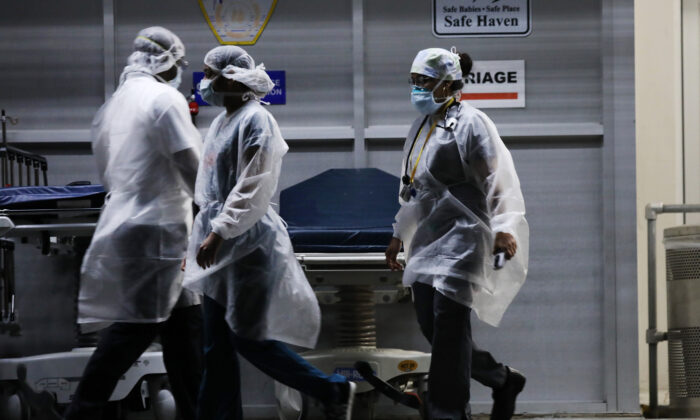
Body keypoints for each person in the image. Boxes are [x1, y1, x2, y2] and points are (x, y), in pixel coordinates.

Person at [182, 45, 355, 420]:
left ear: (231, 78)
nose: (205, 82)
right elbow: (207, 188)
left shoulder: (257, 120)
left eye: (209, 74)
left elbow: (254, 185)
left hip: (246, 245)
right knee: (215, 346)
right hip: (217, 239)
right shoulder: (219, 123)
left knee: (247, 339)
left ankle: (331, 390)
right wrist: (199, 236)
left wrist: (221, 231)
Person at [64, 27, 203, 420]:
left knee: (186, 328)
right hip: (158, 228)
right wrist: (221, 215)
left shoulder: (115, 104)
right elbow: (190, 164)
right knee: (136, 327)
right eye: (179, 64)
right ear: (168, 62)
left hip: (130, 222)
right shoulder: (164, 99)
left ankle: (196, 410)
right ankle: (82, 411)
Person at [385, 48, 530, 420]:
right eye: (414, 81)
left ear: (448, 84)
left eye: (425, 82)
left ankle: (446, 413)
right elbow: (415, 188)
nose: (417, 88)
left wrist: (504, 226)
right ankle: (501, 378)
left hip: (467, 233)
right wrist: (400, 233)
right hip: (431, 236)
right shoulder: (422, 128)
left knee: (450, 325)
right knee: (431, 325)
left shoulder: (472, 123)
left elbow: (497, 178)